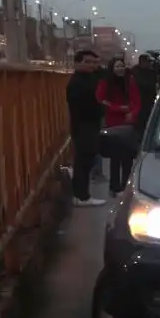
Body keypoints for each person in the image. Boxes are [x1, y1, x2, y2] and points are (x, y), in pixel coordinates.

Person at [96, 57, 143, 195]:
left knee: (128, 157)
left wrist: (132, 113)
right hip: (113, 124)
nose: (120, 69)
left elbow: (137, 101)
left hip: (128, 124)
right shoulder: (105, 83)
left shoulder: (130, 81)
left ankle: (126, 186)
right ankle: (115, 187)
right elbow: (101, 100)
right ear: (112, 68)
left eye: (122, 66)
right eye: (117, 66)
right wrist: (119, 109)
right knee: (115, 157)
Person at [66, 49, 105, 207]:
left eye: (93, 62)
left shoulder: (90, 78)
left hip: (90, 124)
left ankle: (81, 194)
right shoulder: (77, 82)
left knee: (87, 159)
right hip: (83, 125)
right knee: (84, 159)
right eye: (87, 62)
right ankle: (81, 196)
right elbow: (81, 105)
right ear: (77, 63)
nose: (91, 65)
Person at [132, 53, 160, 134]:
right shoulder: (136, 72)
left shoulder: (151, 71)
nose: (149, 64)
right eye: (148, 62)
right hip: (140, 103)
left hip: (150, 102)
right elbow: (145, 84)